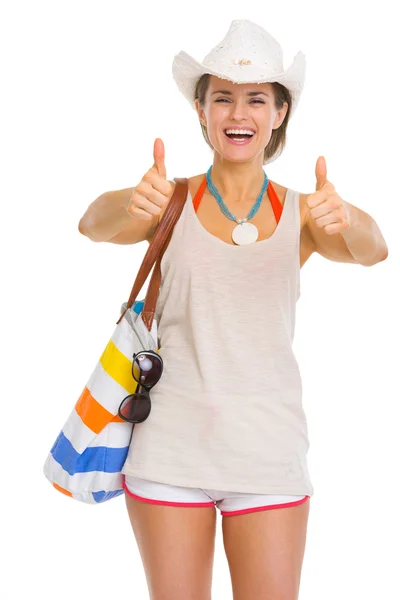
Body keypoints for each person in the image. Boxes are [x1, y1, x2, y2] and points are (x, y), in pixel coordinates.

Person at [78, 19, 388, 600]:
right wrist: (129, 198)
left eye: (255, 99)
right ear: (201, 111)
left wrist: (346, 217)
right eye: (222, 97)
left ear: (279, 115)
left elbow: (373, 252)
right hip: (170, 451)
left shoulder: (304, 212)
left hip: (267, 452)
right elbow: (92, 224)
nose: (238, 113)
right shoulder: (167, 200)